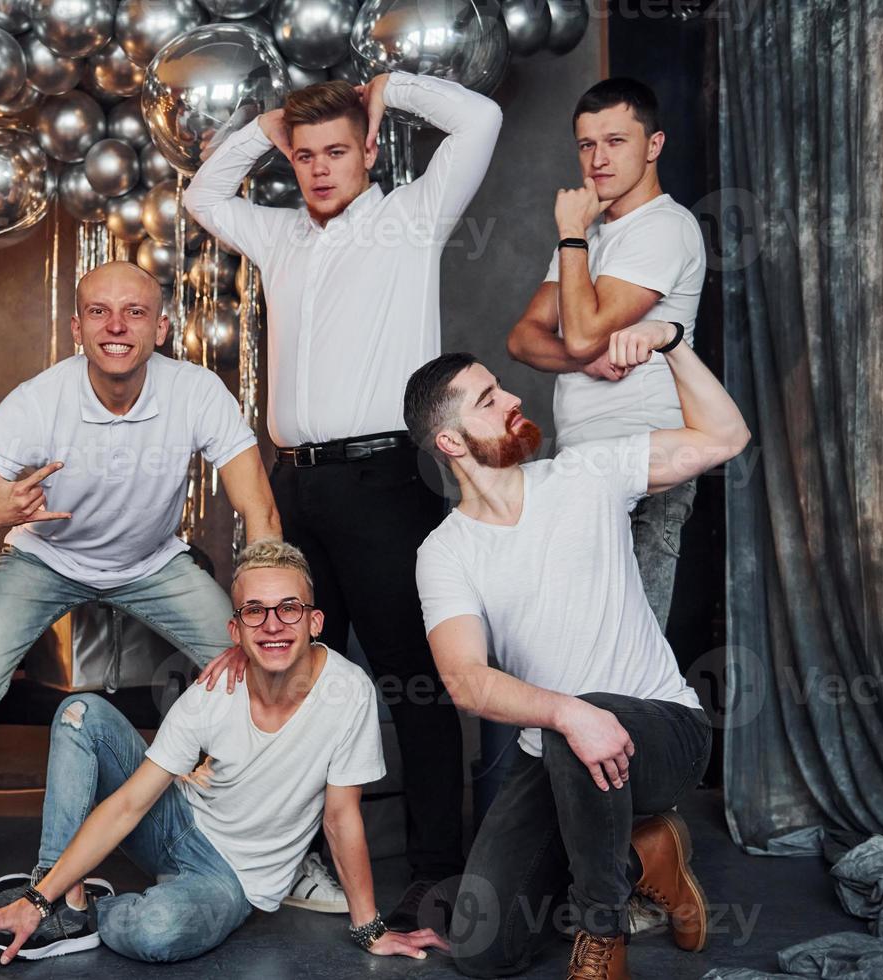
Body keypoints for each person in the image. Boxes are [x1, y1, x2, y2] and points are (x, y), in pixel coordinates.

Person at [185, 70, 502, 927]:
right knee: (297, 674)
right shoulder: (282, 233)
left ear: (369, 150)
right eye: (305, 155)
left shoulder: (412, 218)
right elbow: (204, 191)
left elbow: (482, 117)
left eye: (337, 151)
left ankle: (438, 872)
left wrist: (389, 88)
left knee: (416, 683)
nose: (320, 169)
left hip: (384, 484)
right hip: (298, 485)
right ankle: (304, 859)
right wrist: (268, 125)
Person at [0, 261, 282, 940]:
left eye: (134, 312)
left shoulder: (197, 392)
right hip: (44, 558)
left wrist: (264, 613)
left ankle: (279, 852)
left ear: (162, 326)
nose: (117, 326)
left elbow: (260, 511)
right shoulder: (39, 402)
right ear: (77, 327)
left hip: (153, 561)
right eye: (99, 311)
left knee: (267, 670)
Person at [402, 321, 750, 979]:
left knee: (571, 721)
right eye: (487, 400)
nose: (511, 400)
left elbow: (726, 437)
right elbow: (468, 681)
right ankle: (646, 852)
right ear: (450, 441)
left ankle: (603, 938)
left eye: (500, 388)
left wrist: (673, 342)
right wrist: (567, 714)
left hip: (665, 734)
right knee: (482, 953)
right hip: (562, 748)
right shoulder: (445, 553)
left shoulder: (586, 474)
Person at [0, 541, 450, 965]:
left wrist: (369, 928)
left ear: (314, 621)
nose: (273, 625)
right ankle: (55, 899)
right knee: (81, 713)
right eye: (255, 611)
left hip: (232, 878)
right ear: (235, 630)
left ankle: (90, 903)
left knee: (157, 931)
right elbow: (131, 803)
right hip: (175, 821)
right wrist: (38, 898)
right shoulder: (215, 690)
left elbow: (341, 818)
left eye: (289, 608)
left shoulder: (349, 693)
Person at [505, 78, 707, 630]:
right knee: (580, 643)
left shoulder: (666, 227)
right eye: (587, 144)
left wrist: (571, 236)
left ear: (654, 145)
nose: (597, 159)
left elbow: (582, 332)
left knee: (629, 652)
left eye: (616, 141)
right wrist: (581, 361)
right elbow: (523, 337)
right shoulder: (589, 236)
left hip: (646, 468)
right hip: (583, 466)